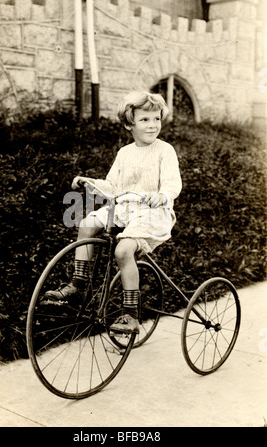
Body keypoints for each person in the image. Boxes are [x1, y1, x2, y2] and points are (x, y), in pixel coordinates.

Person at [46, 90, 182, 334]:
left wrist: (159, 195)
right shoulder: (124, 153)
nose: (152, 126)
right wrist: (91, 182)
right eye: (145, 120)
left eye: (157, 119)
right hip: (123, 209)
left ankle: (131, 314)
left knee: (123, 250)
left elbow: (173, 185)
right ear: (129, 124)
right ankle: (78, 285)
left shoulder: (165, 150)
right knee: (86, 223)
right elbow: (112, 186)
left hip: (152, 213)